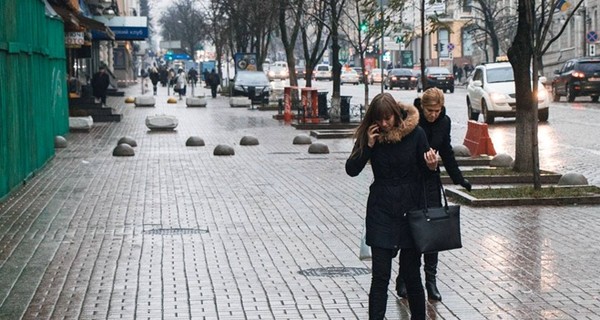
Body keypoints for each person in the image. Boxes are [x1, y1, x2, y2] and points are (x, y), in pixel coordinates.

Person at [346, 92, 438, 320]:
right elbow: (351, 169)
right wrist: (367, 145)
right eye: (379, 119)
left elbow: (428, 177)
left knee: (411, 276)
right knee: (380, 277)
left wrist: (432, 166)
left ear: (396, 115)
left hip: (410, 213)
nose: (384, 124)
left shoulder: (416, 134)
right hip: (382, 212)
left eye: (388, 119)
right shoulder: (373, 136)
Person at [395, 87, 472, 302]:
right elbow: (401, 150)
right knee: (412, 231)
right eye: (430, 110)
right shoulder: (412, 120)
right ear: (422, 106)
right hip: (412, 181)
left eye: (437, 110)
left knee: (432, 231)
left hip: (430, 181)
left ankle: (431, 281)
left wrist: (459, 179)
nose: (433, 115)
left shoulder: (444, 122)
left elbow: (446, 150)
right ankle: (404, 278)